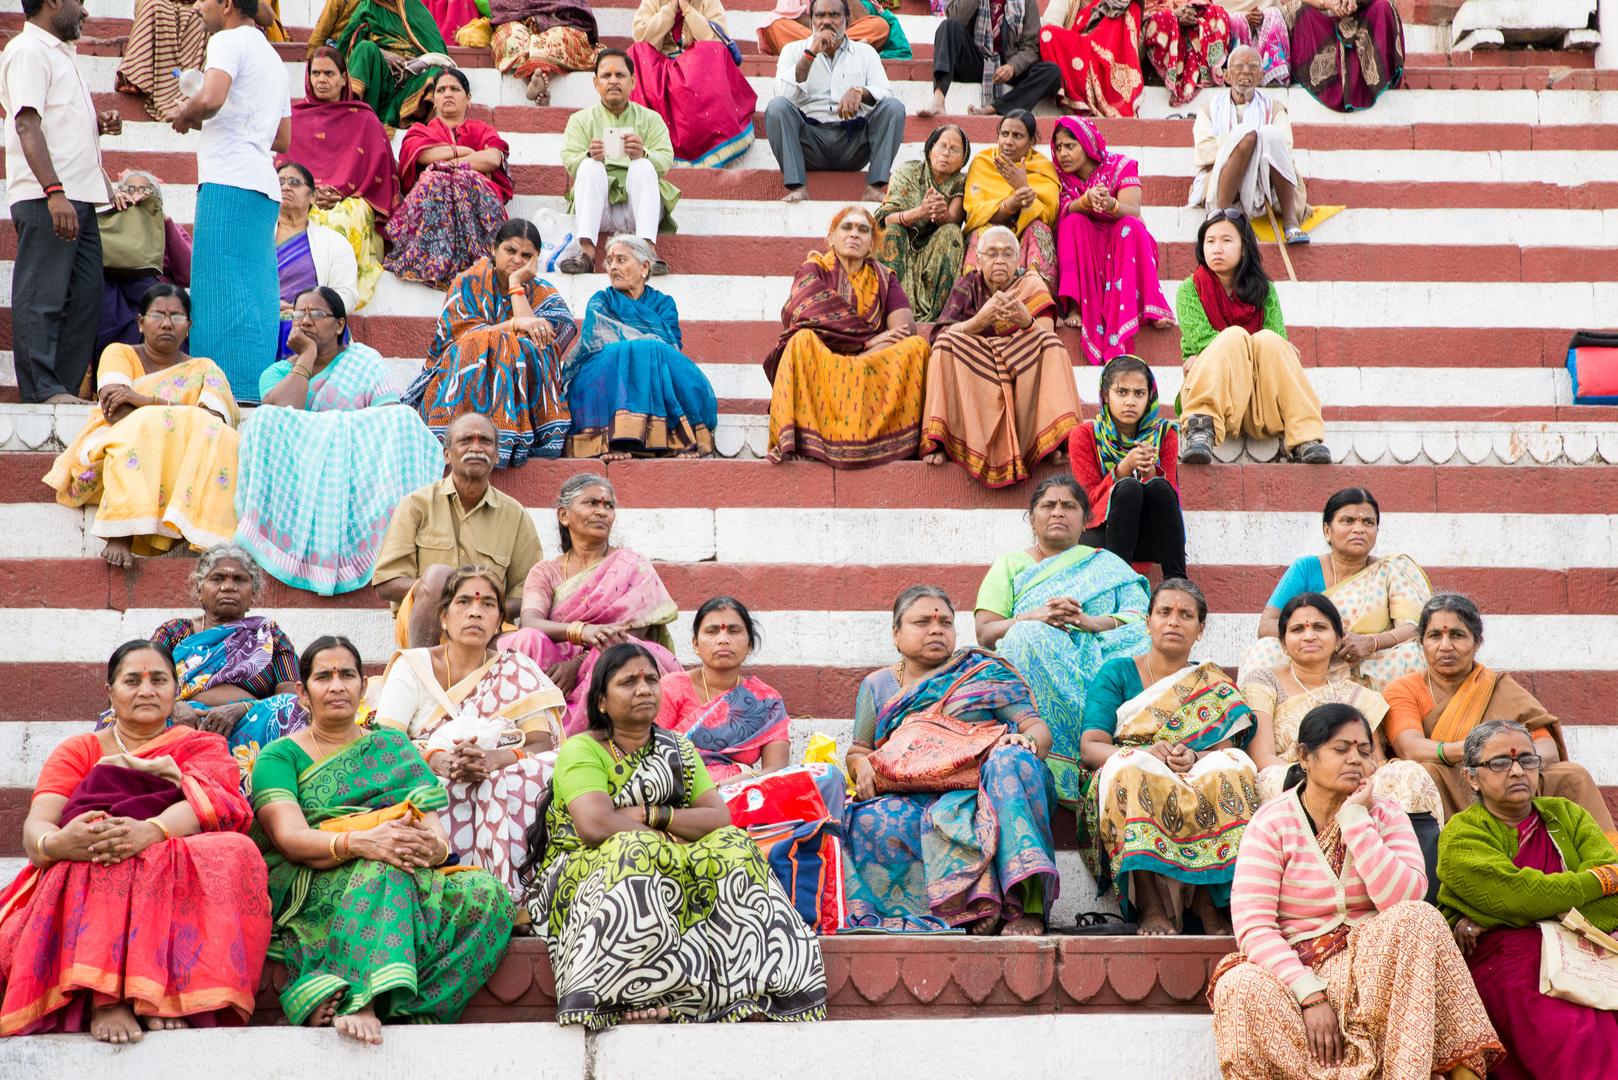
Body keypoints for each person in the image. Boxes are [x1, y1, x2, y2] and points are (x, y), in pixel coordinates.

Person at [521, 642, 827, 1027]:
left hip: (668, 855)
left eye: (651, 679)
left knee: (734, 846)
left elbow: (717, 818)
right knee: (637, 849)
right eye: (628, 681)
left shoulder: (678, 747)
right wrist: (665, 837)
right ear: (601, 701)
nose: (645, 688)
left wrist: (654, 814)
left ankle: (748, 989)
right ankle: (626, 995)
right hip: (584, 870)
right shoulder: (582, 748)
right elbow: (596, 824)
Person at [1209, 703, 1503, 1080]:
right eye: (1340, 748)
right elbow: (1254, 927)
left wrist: (1355, 822)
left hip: (1374, 966)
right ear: (1305, 757)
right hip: (1300, 965)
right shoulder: (1271, 824)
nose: (1355, 760)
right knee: (1238, 985)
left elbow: (1404, 900)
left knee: (1419, 917)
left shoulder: (1385, 814)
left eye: (1364, 751)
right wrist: (1309, 993)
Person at [0, 640, 270, 1040]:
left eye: (159, 680)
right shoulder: (80, 749)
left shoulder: (202, 745)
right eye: (132, 681)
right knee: (105, 845)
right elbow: (38, 826)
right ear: (110, 693)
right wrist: (58, 844)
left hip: (160, 846)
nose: (146, 690)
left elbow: (211, 800)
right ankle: (107, 998)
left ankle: (169, 995)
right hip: (91, 856)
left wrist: (151, 831)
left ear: (176, 690)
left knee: (235, 851)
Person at [252, 636, 515, 1043]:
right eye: (323, 676)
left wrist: (434, 850)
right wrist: (362, 842)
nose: (337, 685)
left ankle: (408, 1007)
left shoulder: (392, 746)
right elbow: (290, 839)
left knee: (488, 892)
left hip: (402, 864)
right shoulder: (279, 756)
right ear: (303, 691)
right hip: (315, 874)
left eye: (347, 675)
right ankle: (362, 1000)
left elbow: (436, 835)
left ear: (363, 685)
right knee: (382, 872)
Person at [844, 589, 1056, 934]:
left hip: (985, 786)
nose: (936, 629)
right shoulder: (878, 686)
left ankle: (1022, 906)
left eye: (945, 622)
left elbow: (1036, 728)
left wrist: (1025, 740)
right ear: (896, 634)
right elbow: (858, 749)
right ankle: (945, 914)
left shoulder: (981, 672)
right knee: (869, 818)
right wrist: (862, 764)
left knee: (1012, 761)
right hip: (914, 792)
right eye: (922, 622)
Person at [1438, 719, 1618, 1080]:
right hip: (1510, 960)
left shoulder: (1568, 815)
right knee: (1564, 1030)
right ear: (1472, 777)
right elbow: (1514, 895)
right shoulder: (1462, 833)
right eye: (1500, 763)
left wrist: (1494, 914)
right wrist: (1595, 882)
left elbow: (1612, 902)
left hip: (1586, 950)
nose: (1517, 771)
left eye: (1527, 761)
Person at [235, 285, 444, 596]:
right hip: (302, 474)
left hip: (361, 472)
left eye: (316, 313)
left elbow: (388, 421)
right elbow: (280, 414)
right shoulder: (277, 372)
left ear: (340, 324)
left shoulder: (364, 360)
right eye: (299, 313)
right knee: (264, 418)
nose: (305, 321)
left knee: (403, 419)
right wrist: (306, 356)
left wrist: (337, 433)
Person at [374, 566, 565, 903]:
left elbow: (543, 743)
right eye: (463, 602)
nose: (476, 611)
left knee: (542, 770)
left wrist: (497, 759)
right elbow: (388, 741)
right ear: (443, 618)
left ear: (500, 623)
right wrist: (437, 759)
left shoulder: (515, 669)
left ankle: (515, 896)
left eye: (488, 605)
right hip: (428, 778)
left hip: (499, 777)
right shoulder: (413, 665)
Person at [1079, 578, 1257, 935]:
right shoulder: (1117, 673)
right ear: (1148, 622)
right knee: (1132, 766)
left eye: (1186, 615)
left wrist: (1193, 754)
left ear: (1200, 628)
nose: (1174, 621)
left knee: (1231, 766)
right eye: (1164, 612)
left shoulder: (1212, 683)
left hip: (1188, 767)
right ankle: (1149, 902)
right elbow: (1091, 747)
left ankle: (1209, 899)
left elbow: (1227, 748)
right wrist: (1144, 752)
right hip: (1126, 769)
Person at [974, 474, 1149, 807]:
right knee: (1026, 637)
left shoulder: (1108, 565)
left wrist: (1090, 623)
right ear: (1032, 518)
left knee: (1150, 646)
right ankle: (1045, 760)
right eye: (1047, 505)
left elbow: (1142, 621)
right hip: (1036, 659)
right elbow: (985, 632)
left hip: (1099, 659)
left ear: (1086, 521)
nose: (1057, 512)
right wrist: (1034, 616)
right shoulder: (1011, 565)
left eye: (1069, 506)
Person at [41, 285, 240, 569]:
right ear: (140, 322)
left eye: (177, 317)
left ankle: (209, 531)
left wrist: (146, 400)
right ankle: (122, 532)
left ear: (189, 327)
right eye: (158, 314)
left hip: (182, 457)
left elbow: (212, 420)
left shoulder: (205, 368)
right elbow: (117, 412)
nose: (167, 323)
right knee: (140, 426)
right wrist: (169, 415)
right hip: (121, 443)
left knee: (220, 437)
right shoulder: (120, 353)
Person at [1382, 594, 1618, 831]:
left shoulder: (1499, 687)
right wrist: (1472, 754)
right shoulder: (1404, 689)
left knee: (1572, 774)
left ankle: (1607, 862)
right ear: (1421, 643)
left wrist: (1504, 763)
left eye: (1457, 635)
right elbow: (1409, 748)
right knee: (1423, 772)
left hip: (1509, 775)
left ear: (1477, 643)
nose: (1445, 646)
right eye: (1435, 635)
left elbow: (1548, 750)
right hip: (1451, 781)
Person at [97, 544, 307, 785]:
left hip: (249, 726)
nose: (229, 586)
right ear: (199, 587)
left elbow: (293, 698)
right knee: (121, 714)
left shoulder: (270, 637)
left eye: (240, 579)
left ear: (254, 592)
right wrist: (175, 705)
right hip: (176, 723)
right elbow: (143, 680)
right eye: (217, 578)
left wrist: (243, 709)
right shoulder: (175, 633)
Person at [172, 0, 292, 405]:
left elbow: (211, 98)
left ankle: (222, 392)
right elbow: (283, 139)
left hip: (228, 182)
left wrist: (185, 115)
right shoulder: (273, 58)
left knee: (217, 291)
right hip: (261, 186)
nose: (198, 6)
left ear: (226, 5)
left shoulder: (226, 40)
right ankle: (251, 388)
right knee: (254, 293)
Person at [2, 0, 122, 405]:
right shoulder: (27, 50)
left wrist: (96, 126)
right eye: (79, 1)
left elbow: (56, 124)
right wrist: (54, 192)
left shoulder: (60, 53)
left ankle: (64, 390)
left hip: (83, 198)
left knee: (86, 300)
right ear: (52, 1)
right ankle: (41, 391)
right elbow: (25, 123)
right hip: (48, 196)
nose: (84, 10)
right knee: (43, 296)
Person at [500, 473, 683, 733]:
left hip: (611, 658)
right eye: (591, 503)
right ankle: (531, 729)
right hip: (555, 662)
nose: (602, 512)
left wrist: (578, 663)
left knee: (613, 650)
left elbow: (633, 633)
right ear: (564, 515)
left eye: (608, 506)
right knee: (526, 639)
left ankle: (576, 739)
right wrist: (582, 631)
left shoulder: (631, 563)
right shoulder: (546, 571)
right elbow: (529, 621)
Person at [1239, 592, 1440, 817]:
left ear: (1338, 640)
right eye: (1297, 629)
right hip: (1293, 780)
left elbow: (1374, 760)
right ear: (1283, 644)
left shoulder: (1356, 695)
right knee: (1269, 777)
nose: (1309, 636)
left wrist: (1345, 777)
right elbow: (1261, 756)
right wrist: (1321, 779)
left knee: (1408, 772)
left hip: (1351, 780)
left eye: (1319, 627)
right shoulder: (1264, 680)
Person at [764, 205, 929, 468]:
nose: (855, 234)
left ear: (872, 243)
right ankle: (804, 438)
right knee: (800, 341)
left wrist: (865, 353)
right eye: (847, 227)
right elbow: (803, 317)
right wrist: (865, 341)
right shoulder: (813, 268)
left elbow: (904, 332)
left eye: (863, 230)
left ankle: (891, 441)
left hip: (870, 367)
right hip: (823, 365)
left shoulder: (885, 278)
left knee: (918, 347)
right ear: (831, 238)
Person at [404, 219, 578, 465]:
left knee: (533, 346)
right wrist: (514, 326)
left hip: (521, 390)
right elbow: (462, 337)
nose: (517, 260)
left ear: (536, 259)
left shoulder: (542, 292)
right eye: (510, 251)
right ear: (494, 249)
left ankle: (518, 436)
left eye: (526, 255)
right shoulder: (468, 282)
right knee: (487, 343)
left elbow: (542, 335)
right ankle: (469, 433)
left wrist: (517, 285)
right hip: (462, 372)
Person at [921, 224, 1080, 488]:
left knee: (1053, 347)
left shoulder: (1030, 283)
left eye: (1007, 254)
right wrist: (978, 322)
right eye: (992, 254)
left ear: (1018, 260)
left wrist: (1027, 322)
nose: (999, 260)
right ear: (979, 260)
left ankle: (1056, 440)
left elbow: (1045, 334)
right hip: (979, 358)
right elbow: (941, 333)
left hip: (1020, 356)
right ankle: (941, 441)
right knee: (945, 346)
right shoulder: (968, 283)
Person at [373, 411, 547, 649]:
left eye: (485, 441)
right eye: (465, 440)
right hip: (430, 628)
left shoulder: (515, 515)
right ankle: (420, 675)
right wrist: (451, 596)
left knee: (529, 641)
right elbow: (386, 583)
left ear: (496, 455)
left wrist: (481, 605)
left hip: (488, 631)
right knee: (438, 576)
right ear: (447, 454)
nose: (476, 447)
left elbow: (529, 595)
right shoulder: (416, 505)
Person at [1176, 211, 1328, 464]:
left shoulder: (1265, 291)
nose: (1217, 248)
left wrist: (1268, 345)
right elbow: (1203, 341)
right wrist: (1242, 343)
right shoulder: (1189, 289)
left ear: (1244, 248)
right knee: (1235, 337)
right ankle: (1200, 428)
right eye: (1210, 241)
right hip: (1215, 398)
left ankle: (1305, 437)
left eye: (1226, 241)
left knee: (1269, 341)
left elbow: (1277, 342)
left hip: (1260, 402)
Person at [1241, 487, 1430, 689]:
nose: (1359, 529)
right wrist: (1329, 640)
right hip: (1312, 656)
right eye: (1348, 521)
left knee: (1411, 654)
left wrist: (1370, 642)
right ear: (1327, 531)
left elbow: (1416, 628)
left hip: (1370, 662)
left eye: (1368, 522)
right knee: (1267, 648)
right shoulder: (1305, 568)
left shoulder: (1393, 570)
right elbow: (1267, 625)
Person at [563, 235, 716, 459]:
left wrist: (640, 349)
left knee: (653, 356)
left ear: (645, 267)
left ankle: (671, 441)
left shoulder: (663, 304)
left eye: (621, 260)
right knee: (628, 353)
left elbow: (671, 348)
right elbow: (594, 341)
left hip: (651, 372)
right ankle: (615, 442)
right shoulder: (602, 300)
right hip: (607, 375)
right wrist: (641, 347)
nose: (613, 267)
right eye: (609, 262)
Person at [1049, 116, 1171, 362]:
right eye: (1058, 147)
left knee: (1130, 225)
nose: (1062, 154)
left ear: (1087, 144)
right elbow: (1063, 211)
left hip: (1122, 243)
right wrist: (1085, 201)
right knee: (1071, 222)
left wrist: (1110, 204)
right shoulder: (1058, 176)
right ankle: (1075, 307)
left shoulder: (1121, 165)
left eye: (1069, 146)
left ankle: (1149, 306)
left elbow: (1133, 211)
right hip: (1086, 244)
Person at [289, 47, 400, 310]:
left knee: (342, 218)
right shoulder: (294, 117)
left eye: (329, 73)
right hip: (304, 197)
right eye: (315, 73)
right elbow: (284, 168)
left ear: (343, 78)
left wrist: (343, 193)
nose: (321, 79)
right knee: (305, 218)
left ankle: (334, 300)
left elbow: (380, 174)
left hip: (352, 198)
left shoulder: (364, 119)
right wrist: (311, 193)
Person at [765, 0, 905, 205]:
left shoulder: (866, 53)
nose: (826, 22)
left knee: (894, 108)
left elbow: (886, 94)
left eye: (834, 15)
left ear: (847, 20)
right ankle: (798, 187)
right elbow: (782, 94)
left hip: (852, 142)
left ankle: (873, 187)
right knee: (776, 107)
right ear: (811, 21)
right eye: (820, 16)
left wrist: (861, 92)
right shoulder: (793, 51)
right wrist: (810, 54)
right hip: (809, 141)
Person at [385, 68, 513, 289]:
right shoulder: (420, 130)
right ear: (433, 100)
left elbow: (493, 158)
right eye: (441, 90)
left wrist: (448, 166)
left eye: (455, 89)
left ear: (468, 98)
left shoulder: (482, 130)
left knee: (463, 179)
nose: (448, 94)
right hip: (432, 203)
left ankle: (477, 260)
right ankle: (430, 262)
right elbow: (421, 155)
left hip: (474, 203)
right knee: (434, 181)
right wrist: (464, 151)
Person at [557, 50, 680, 275]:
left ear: (632, 81)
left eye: (620, 75)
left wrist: (643, 153)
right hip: (598, 208)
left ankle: (648, 253)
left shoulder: (651, 119)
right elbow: (571, 163)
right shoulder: (580, 120)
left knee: (643, 166)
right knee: (589, 167)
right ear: (596, 83)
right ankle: (586, 254)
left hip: (638, 207)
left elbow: (665, 160)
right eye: (606, 76)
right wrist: (588, 155)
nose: (613, 80)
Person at [1069, 355, 1186, 579]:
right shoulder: (1084, 435)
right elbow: (1087, 501)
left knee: (1160, 487)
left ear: (1149, 397)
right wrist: (1124, 468)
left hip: (1150, 535)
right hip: (1102, 533)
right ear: (1106, 395)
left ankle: (1177, 581)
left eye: (1139, 393)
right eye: (1122, 392)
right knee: (1128, 487)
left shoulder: (1165, 434)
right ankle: (1118, 582)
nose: (1130, 401)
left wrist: (1149, 470)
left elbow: (1169, 501)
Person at [656, 597, 789, 782]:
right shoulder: (673, 687)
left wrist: (736, 782)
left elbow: (778, 769)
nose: (723, 640)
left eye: (734, 631)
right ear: (695, 644)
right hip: (681, 794)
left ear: (750, 644)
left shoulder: (765, 699)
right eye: (712, 631)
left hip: (743, 794)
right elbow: (651, 754)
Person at [1189, 47, 1309, 241]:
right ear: (1227, 75)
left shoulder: (1275, 109)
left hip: (1264, 181)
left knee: (1270, 134)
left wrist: (1256, 150)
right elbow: (1205, 151)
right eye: (1239, 66)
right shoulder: (1208, 110)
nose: (1246, 71)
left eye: (1253, 67)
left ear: (1261, 76)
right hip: (1226, 181)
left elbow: (1284, 150)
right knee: (1246, 134)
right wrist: (1243, 142)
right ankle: (1221, 216)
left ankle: (1290, 222)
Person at [628, 0, 757, 169]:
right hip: (659, 69)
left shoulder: (708, 2)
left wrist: (687, 9)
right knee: (635, 52)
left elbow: (716, 40)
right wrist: (671, 8)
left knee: (711, 51)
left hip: (695, 69)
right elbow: (642, 37)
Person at [873, 124, 969, 323]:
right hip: (902, 244)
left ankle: (937, 315)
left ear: (963, 159)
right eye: (941, 146)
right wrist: (920, 212)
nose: (946, 154)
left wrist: (941, 214)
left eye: (955, 150)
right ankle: (891, 312)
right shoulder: (908, 171)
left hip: (933, 251)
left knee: (952, 233)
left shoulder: (961, 182)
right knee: (892, 232)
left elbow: (954, 219)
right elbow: (885, 219)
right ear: (930, 148)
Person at [95, 171, 193, 362]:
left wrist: (161, 218)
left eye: (146, 191)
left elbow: (187, 274)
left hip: (156, 296)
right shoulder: (109, 223)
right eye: (130, 189)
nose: (136, 195)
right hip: (116, 301)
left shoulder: (170, 227)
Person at [307, 0, 448, 127]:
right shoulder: (366, 7)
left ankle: (433, 129)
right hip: (378, 77)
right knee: (365, 48)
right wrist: (381, 54)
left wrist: (418, 63)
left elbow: (438, 52)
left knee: (437, 75)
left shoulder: (415, 7)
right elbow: (347, 43)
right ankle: (352, 114)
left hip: (410, 79)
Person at [274, 162, 360, 361]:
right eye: (279, 182)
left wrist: (305, 310)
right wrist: (269, 305)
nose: (285, 187)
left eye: (294, 182)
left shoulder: (335, 243)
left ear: (313, 196)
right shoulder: (256, 240)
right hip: (263, 319)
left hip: (311, 322)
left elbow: (346, 294)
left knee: (296, 328)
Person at [961, 110, 1058, 279]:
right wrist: (1013, 202)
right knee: (984, 231)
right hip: (990, 229)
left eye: (1017, 136)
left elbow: (1049, 216)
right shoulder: (983, 162)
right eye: (1004, 134)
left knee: (1039, 230)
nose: (1008, 141)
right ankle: (976, 297)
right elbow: (974, 213)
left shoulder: (1043, 168)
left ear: (1031, 142)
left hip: (1025, 237)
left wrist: (1022, 188)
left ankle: (1038, 296)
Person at [1037, 0, 1144, 117]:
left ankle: (1110, 99)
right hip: (1074, 58)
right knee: (1047, 33)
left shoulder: (1123, 3)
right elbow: (1050, 24)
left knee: (1131, 5)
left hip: (1106, 59)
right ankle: (1071, 101)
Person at [1291, 0, 1402, 113]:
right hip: (1325, 28)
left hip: (1362, 20)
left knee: (1383, 6)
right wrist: (1328, 4)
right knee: (1297, 9)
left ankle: (1379, 78)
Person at [488, 0, 600, 107]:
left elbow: (575, 6)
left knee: (557, 38)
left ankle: (538, 80)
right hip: (517, 21)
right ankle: (535, 80)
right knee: (513, 36)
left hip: (559, 23)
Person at [1142, 0, 1233, 108]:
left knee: (1217, 13)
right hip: (1163, 19)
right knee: (1165, 17)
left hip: (1193, 16)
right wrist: (1175, 13)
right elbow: (1146, 9)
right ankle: (1169, 79)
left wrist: (1194, 10)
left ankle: (1210, 76)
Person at [1223, 0, 1289, 85]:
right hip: (1237, 25)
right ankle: (1235, 76)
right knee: (1236, 18)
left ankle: (1272, 78)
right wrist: (1244, 17)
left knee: (1273, 13)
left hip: (1265, 28)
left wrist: (1262, 16)